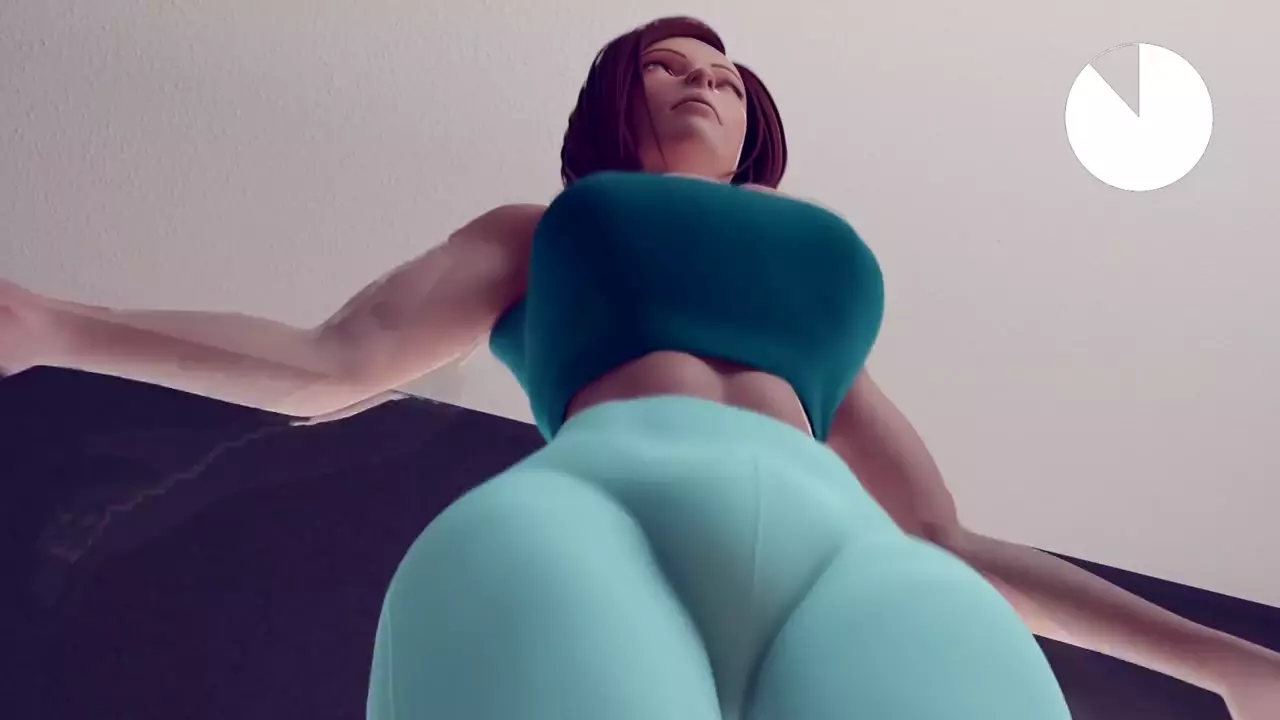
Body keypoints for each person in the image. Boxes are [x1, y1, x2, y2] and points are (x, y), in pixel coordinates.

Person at [1, 15, 1277, 720]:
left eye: (724, 73)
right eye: (667, 63)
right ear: (615, 96)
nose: (703, 77)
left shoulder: (818, 313)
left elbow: (945, 536)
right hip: (583, 523)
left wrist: (1226, 665)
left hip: (857, 563)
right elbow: (337, 362)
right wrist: (56, 325)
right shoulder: (544, 230)